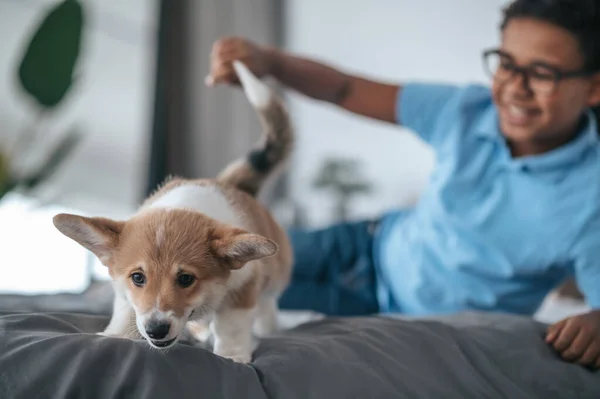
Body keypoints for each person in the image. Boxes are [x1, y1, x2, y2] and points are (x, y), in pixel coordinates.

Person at [206, 0, 600, 369]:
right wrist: (269, 61)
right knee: (209, 273)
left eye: (542, 73)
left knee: (227, 308)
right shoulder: (465, 110)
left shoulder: (591, 197)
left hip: (405, 322)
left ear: (594, 87)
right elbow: (345, 88)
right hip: (364, 245)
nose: (515, 87)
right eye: (506, 63)